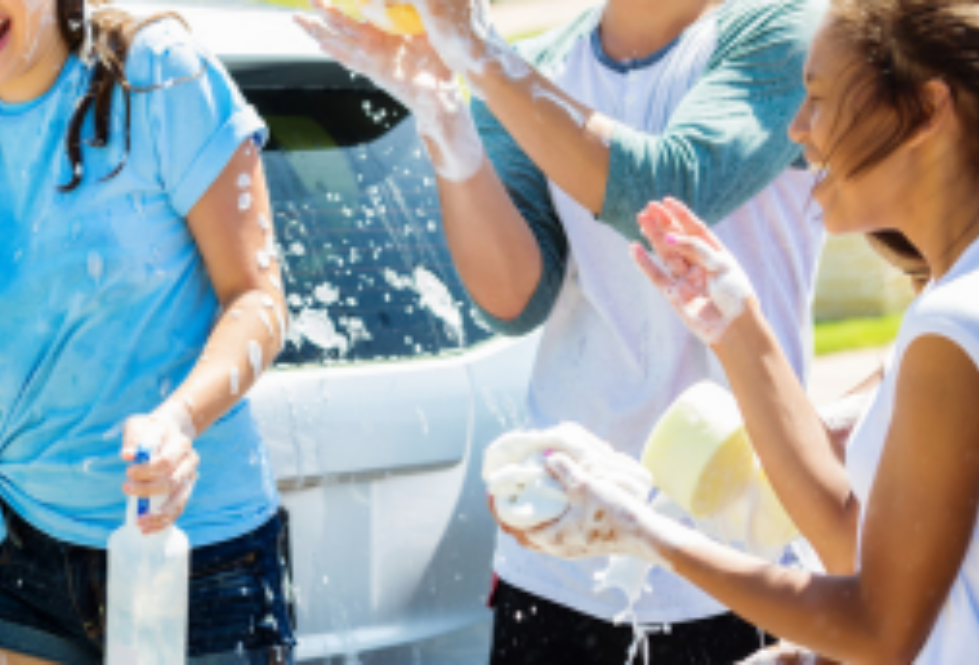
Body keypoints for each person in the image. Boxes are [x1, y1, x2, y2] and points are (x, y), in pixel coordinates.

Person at [298, 0, 825, 661]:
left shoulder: (778, 29)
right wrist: (446, 120)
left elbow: (666, 192)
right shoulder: (537, 64)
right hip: (560, 547)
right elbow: (514, 295)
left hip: (736, 553)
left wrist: (486, 63)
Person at [507, 0, 979, 662]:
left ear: (928, 108)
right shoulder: (962, 294)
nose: (797, 128)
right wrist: (740, 329)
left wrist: (642, 532)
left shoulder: (957, 324)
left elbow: (881, 630)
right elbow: (854, 545)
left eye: (820, 97)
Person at [0, 0, 294, 662]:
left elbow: (257, 299)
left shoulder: (161, 77)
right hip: (21, 546)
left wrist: (178, 420)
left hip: (195, 554)